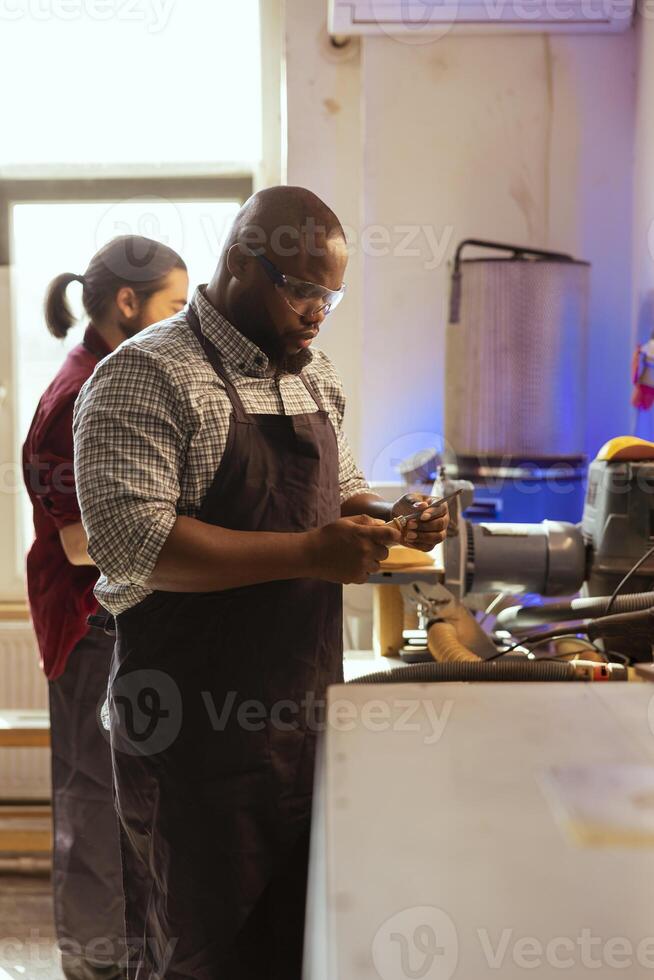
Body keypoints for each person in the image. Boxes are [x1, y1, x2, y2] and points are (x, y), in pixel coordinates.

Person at [72, 187, 449, 980]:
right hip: (187, 735)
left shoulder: (313, 374)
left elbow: (339, 485)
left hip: (302, 722)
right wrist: (312, 554)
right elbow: (136, 543)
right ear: (244, 262)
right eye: (304, 289)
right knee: (201, 952)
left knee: (299, 945)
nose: (319, 312)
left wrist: (396, 513)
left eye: (332, 295)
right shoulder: (143, 375)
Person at [22, 235, 189, 980]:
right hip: (88, 626)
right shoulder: (76, 396)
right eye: (175, 308)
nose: (182, 326)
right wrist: (188, 535)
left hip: (116, 620)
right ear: (128, 303)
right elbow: (83, 542)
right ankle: (96, 973)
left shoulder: (115, 377)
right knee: (93, 811)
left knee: (127, 810)